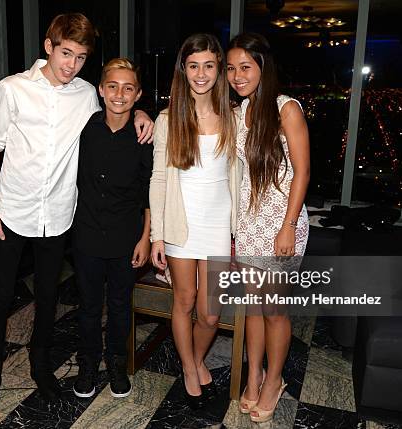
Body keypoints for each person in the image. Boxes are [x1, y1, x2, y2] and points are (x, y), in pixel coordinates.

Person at [0, 13, 153, 415]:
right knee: (1, 298)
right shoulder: (12, 89)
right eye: (66, 53)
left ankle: (42, 370)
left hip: (57, 217)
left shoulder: (88, 94)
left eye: (80, 57)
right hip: (11, 212)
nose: (70, 64)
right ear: (49, 46)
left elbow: (119, 110)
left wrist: (144, 116)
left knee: (48, 299)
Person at [149, 33, 238, 409]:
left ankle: (195, 359)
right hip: (180, 226)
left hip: (219, 224)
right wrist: (156, 236)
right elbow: (157, 178)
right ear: (183, 70)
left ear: (219, 70)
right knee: (183, 301)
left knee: (211, 312)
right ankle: (189, 368)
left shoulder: (235, 117)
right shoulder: (169, 118)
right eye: (193, 66)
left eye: (208, 65)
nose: (201, 74)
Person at [227, 33, 310, 423]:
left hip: (281, 222)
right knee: (252, 307)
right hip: (248, 223)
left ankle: (274, 380)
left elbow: (302, 172)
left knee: (274, 310)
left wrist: (288, 226)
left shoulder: (286, 108)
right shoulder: (238, 110)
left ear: (263, 66)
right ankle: (254, 374)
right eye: (231, 68)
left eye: (245, 67)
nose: (236, 75)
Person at [71, 58, 152, 399]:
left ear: (138, 95)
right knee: (88, 307)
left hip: (126, 236)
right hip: (87, 233)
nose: (120, 94)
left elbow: (150, 191)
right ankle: (88, 363)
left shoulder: (145, 135)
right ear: (101, 91)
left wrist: (145, 239)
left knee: (120, 306)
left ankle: (116, 362)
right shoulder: (85, 125)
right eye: (113, 86)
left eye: (128, 88)